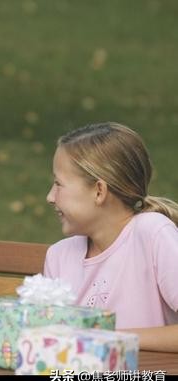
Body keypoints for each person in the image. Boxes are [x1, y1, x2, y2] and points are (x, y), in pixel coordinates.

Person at [44, 122, 178, 351]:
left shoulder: (153, 234)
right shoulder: (58, 256)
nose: (50, 197)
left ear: (99, 191)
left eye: (59, 184)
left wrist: (107, 338)